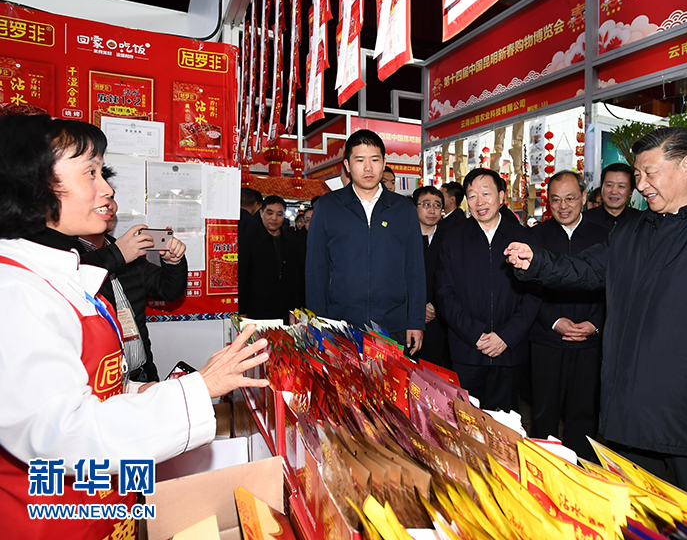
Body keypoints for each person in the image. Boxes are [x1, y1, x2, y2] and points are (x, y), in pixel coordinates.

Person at [0, 114, 269, 538]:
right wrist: (198, 390)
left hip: (104, 513)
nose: (106, 189)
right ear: (30, 185)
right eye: (90, 172)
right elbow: (64, 437)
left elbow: (88, 387)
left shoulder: (57, 274)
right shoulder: (14, 293)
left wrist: (153, 389)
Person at [504, 127, 687, 507]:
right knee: (637, 522)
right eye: (637, 175)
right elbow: (587, 270)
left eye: (649, 173)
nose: (640, 185)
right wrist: (537, 261)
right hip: (631, 413)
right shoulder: (632, 231)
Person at [306, 130, 425, 351]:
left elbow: (415, 269)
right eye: (360, 160)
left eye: (375, 160)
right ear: (348, 166)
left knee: (392, 385)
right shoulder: (328, 206)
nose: (368, 168)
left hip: (393, 325)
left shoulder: (403, 209)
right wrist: (318, 322)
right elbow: (316, 269)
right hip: (340, 324)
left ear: (384, 162)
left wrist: (416, 321)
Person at [435, 168, 540, 411]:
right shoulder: (452, 239)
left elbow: (534, 294)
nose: (479, 202)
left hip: (509, 351)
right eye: (472, 196)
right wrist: (475, 335)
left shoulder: (523, 239)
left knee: (505, 428)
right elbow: (444, 294)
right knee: (465, 424)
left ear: (502, 197)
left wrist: (506, 336)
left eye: (486, 193)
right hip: (467, 350)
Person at [79, 173, 188, 383]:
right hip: (99, 386)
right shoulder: (66, 255)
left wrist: (173, 262)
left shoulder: (126, 251)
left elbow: (168, 291)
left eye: (111, 197)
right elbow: (73, 283)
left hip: (142, 376)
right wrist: (117, 255)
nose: (108, 204)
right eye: (97, 197)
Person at [528, 171, 607, 460]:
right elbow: (526, 290)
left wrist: (595, 324)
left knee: (584, 416)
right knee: (543, 413)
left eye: (571, 198)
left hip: (589, 341)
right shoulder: (535, 236)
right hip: (547, 339)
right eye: (556, 200)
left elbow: (614, 289)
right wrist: (554, 321)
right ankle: (541, 473)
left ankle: (582, 474)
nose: (563, 206)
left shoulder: (604, 236)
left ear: (584, 198)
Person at [239, 195, 305, 323]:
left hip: (286, 308)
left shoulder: (291, 241)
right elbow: (242, 276)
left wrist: (299, 305)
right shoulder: (249, 239)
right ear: (261, 213)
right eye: (269, 213)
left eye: (279, 214)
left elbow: (297, 275)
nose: (274, 218)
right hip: (256, 308)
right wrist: (242, 310)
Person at [413, 186, 450, 368]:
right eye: (426, 204)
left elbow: (454, 279)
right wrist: (417, 307)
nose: (432, 210)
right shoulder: (404, 239)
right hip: (408, 319)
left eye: (437, 205)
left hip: (438, 319)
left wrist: (436, 304)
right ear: (415, 207)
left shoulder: (450, 240)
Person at [584, 162, 639, 231]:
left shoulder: (641, 221)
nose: (614, 191)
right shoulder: (584, 220)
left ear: (631, 190)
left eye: (621, 186)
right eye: (609, 185)